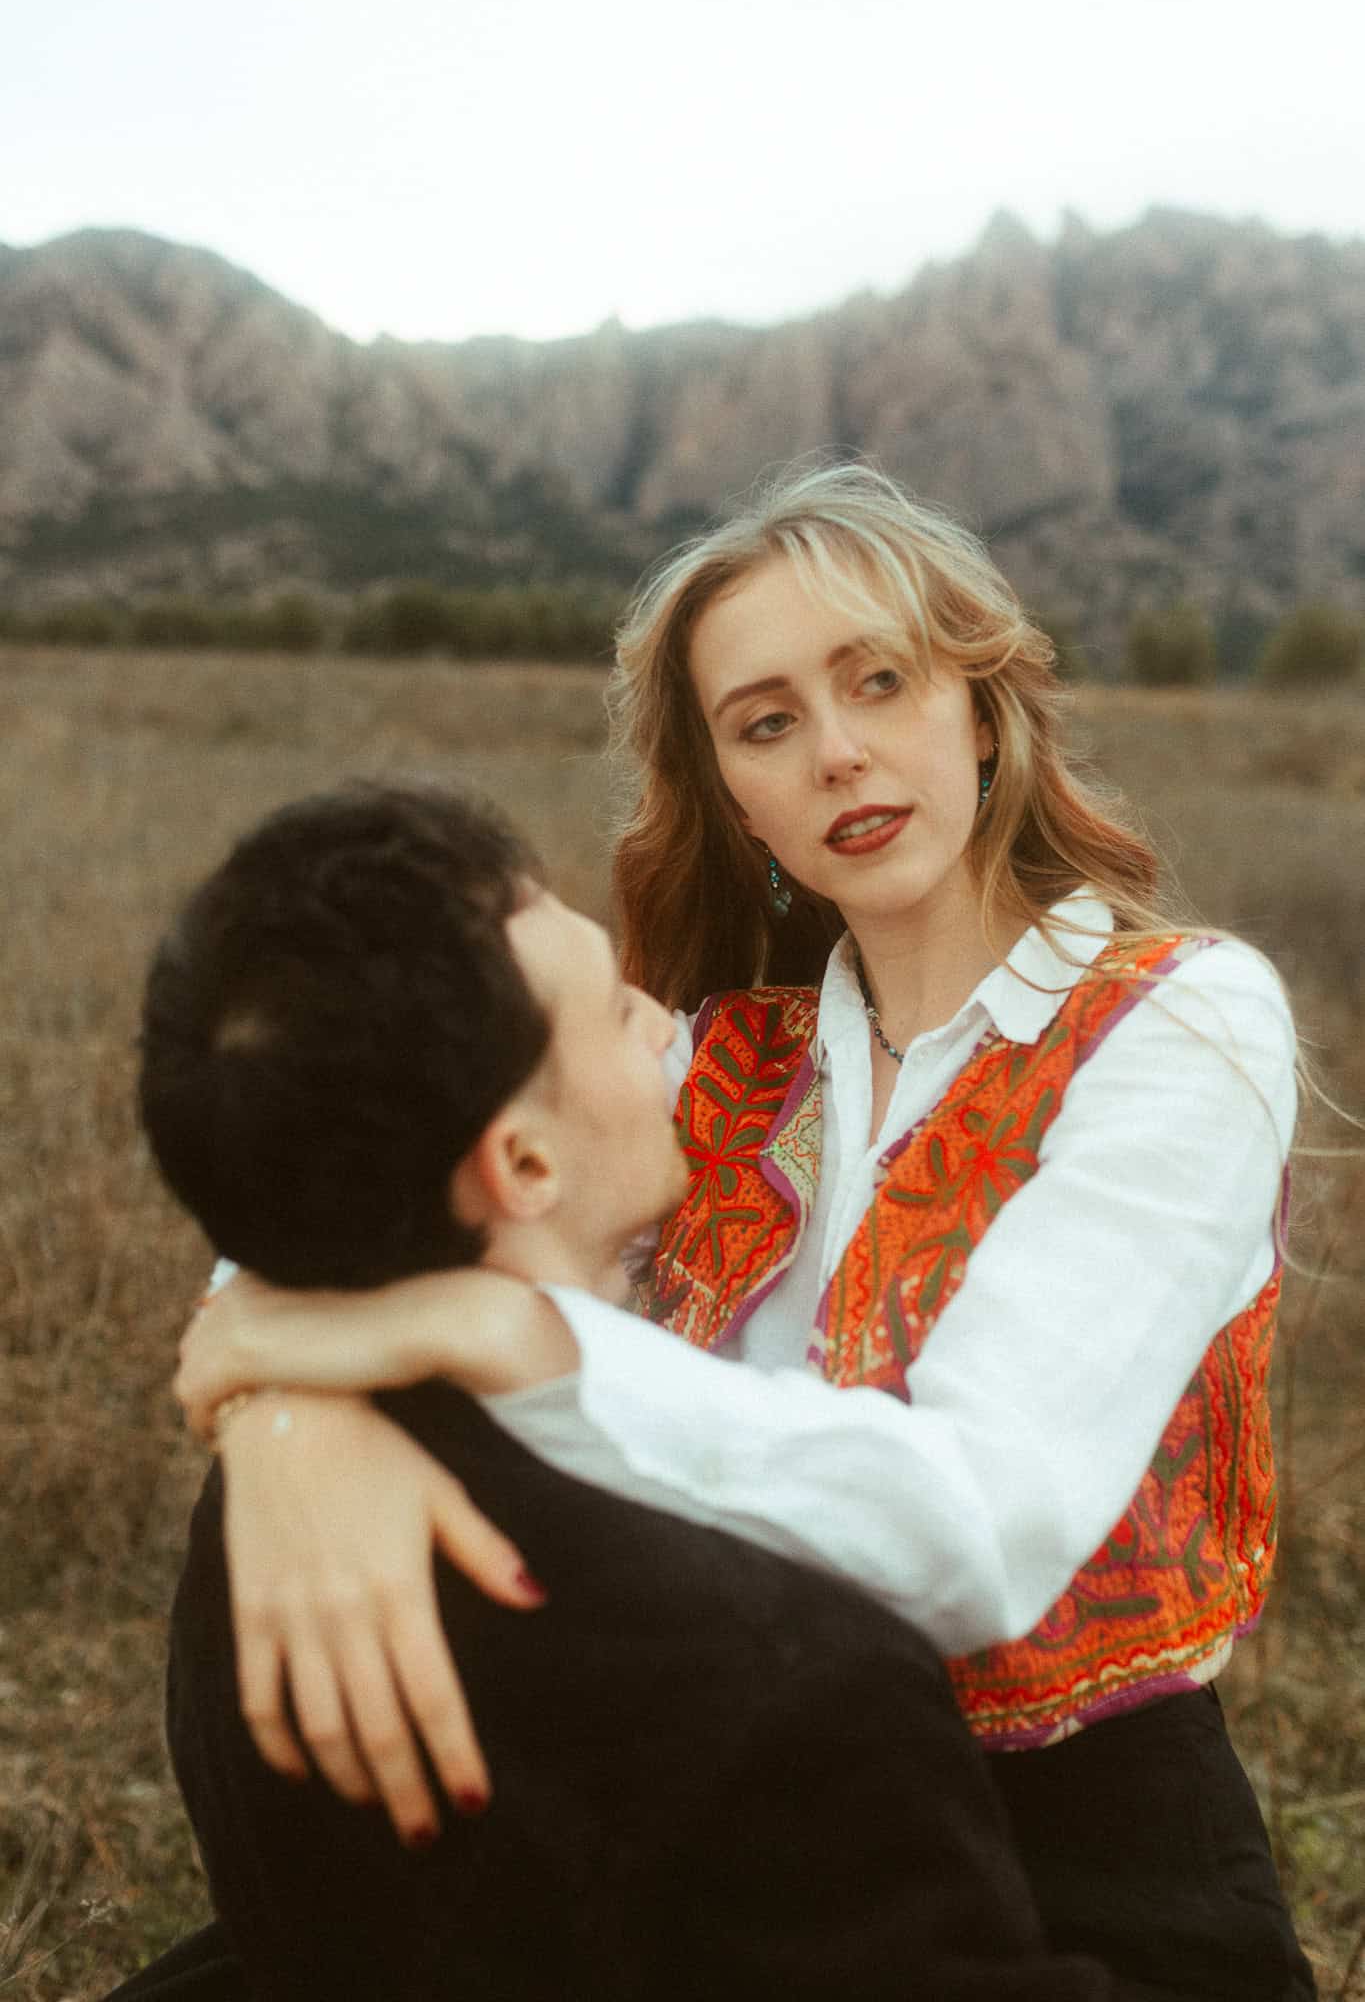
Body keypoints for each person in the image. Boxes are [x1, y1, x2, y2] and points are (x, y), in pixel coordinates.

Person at [176, 462, 1317, 2001]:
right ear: (732, 794)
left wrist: (501, 1339)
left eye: (881, 682)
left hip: (1086, 1858)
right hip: (728, 1798)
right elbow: (359, 1164)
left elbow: (979, 1534)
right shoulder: (720, 1051)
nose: (840, 752)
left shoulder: (1181, 1022)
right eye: (768, 722)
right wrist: (292, 1411)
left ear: (978, 707)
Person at [116, 781, 1110, 2002]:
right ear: (523, 1161)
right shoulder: (796, 1674)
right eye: (611, 1003)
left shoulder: (259, 1535)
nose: (660, 1022)